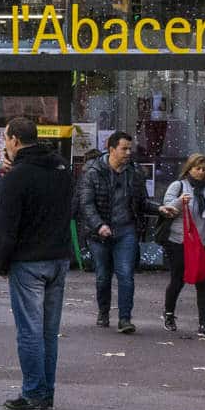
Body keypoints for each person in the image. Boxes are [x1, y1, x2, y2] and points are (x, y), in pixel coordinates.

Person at [0, 116, 73, 410]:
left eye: (7, 140)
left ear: (14, 139)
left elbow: (7, 225)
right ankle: (45, 392)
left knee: (29, 330)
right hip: (58, 256)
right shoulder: (62, 170)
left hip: (28, 260)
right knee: (49, 331)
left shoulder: (17, 177)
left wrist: (1, 261)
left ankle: (34, 394)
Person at [76, 130, 150, 334]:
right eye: (124, 149)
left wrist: (160, 208)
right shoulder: (93, 171)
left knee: (126, 274)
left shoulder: (133, 172)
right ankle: (104, 312)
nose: (128, 153)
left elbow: (141, 202)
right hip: (98, 233)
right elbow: (86, 203)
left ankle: (125, 318)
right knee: (103, 276)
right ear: (111, 149)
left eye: (130, 149)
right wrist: (99, 225)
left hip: (125, 230)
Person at [158, 154, 205, 339]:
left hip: (204, 241)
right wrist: (181, 201)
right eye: (197, 168)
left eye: (204, 170)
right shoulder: (178, 186)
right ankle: (169, 314)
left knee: (203, 282)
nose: (200, 172)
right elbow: (167, 210)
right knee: (178, 279)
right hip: (180, 241)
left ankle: (204, 323)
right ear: (189, 169)